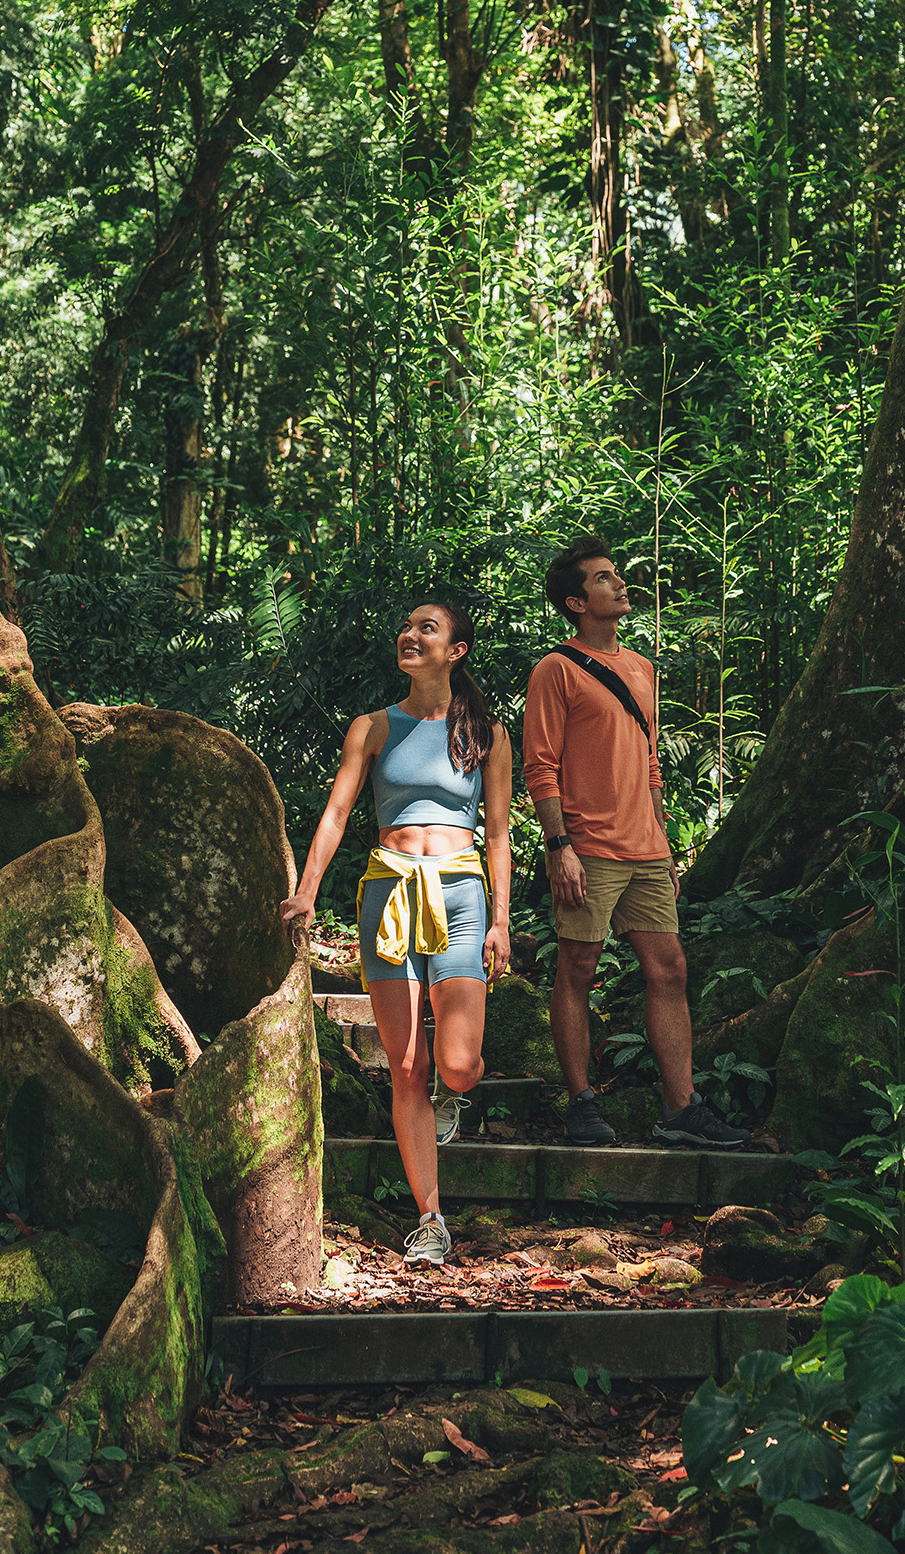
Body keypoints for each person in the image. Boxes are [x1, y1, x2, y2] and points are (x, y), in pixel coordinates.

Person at [281, 599, 512, 1266]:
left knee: (458, 1066)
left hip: (461, 891)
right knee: (405, 1064)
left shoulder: (488, 734)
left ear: (457, 650)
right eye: (405, 626)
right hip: (388, 891)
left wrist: (500, 921)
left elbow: (497, 833)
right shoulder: (373, 726)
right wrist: (306, 891)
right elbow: (335, 813)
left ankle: (456, 1094)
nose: (409, 634)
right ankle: (432, 1218)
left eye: (426, 628)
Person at [522, 536, 750, 1150]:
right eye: (603, 579)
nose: (619, 585)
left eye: (616, 576)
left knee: (669, 969)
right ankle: (582, 1103)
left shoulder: (642, 669)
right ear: (576, 601)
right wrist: (558, 845)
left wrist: (665, 842)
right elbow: (540, 766)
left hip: (645, 848)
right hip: (586, 846)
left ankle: (681, 1108)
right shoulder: (556, 669)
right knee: (579, 967)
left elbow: (649, 764)